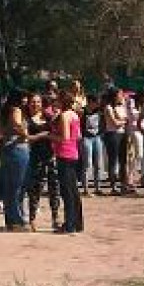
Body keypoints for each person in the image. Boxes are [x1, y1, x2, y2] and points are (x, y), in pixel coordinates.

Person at [0, 91, 30, 231]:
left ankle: (10, 219)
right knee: (17, 186)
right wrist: (25, 134)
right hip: (18, 148)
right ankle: (17, 220)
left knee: (9, 186)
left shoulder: (2, 111)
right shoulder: (16, 110)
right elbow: (16, 123)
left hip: (6, 148)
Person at [24, 94, 58, 231]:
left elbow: (57, 133)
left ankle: (55, 218)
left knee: (54, 189)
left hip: (50, 156)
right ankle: (32, 219)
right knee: (35, 189)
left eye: (38, 102)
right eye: (33, 102)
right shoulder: (26, 119)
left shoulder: (48, 117)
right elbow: (27, 138)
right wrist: (43, 135)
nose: (35, 104)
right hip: (35, 158)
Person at [52, 90, 84, 233]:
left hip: (64, 154)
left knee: (67, 191)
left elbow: (64, 137)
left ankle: (69, 223)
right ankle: (77, 223)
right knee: (73, 190)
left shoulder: (65, 116)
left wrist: (49, 136)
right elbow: (77, 136)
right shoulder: (75, 115)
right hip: (74, 153)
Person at [102, 89, 130, 195]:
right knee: (113, 160)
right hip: (112, 134)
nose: (122, 96)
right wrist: (123, 121)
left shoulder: (122, 107)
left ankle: (123, 184)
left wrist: (122, 121)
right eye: (120, 94)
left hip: (123, 134)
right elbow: (115, 123)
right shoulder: (109, 107)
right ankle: (113, 186)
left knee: (123, 160)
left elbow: (125, 120)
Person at [79, 93, 104, 195]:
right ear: (90, 102)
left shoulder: (99, 111)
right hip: (86, 138)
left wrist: (101, 133)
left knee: (98, 163)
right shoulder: (82, 111)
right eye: (96, 102)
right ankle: (86, 188)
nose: (98, 104)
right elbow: (79, 125)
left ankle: (97, 187)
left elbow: (103, 124)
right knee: (87, 163)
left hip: (97, 137)